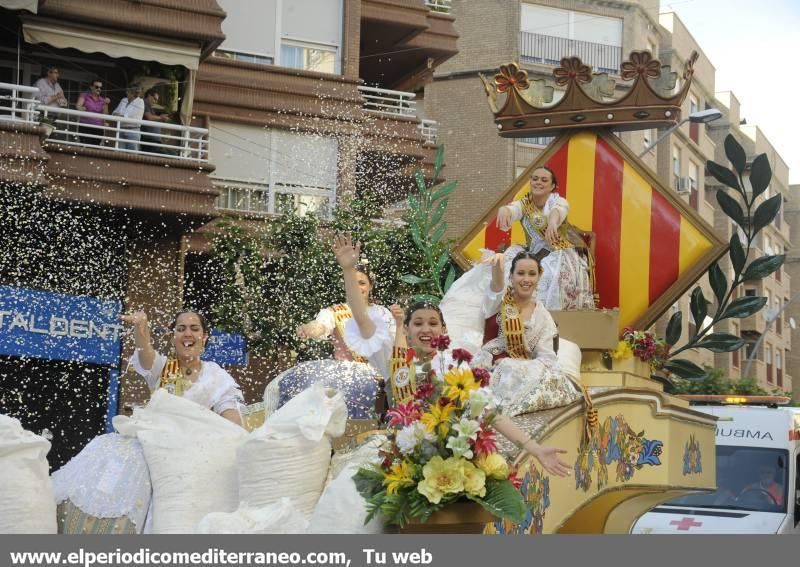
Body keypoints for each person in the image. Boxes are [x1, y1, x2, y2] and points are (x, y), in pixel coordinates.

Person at [332, 233, 570, 476]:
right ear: (406, 330)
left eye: (433, 323)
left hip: (446, 460)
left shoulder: (453, 366)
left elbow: (490, 412)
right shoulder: (394, 355)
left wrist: (535, 449)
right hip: (399, 459)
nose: (426, 329)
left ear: (443, 330)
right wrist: (349, 271)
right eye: (418, 324)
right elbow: (362, 320)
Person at [51, 309, 244, 534]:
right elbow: (145, 353)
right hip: (149, 447)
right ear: (173, 336)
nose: (187, 334)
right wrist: (140, 328)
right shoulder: (164, 368)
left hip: (188, 457)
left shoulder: (216, 377)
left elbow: (234, 426)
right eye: (180, 329)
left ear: (205, 336)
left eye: (194, 328)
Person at [263, 263, 395, 419]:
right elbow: (321, 326)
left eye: (362, 283)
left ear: (370, 286)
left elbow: (392, 344)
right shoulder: (335, 312)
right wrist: (308, 329)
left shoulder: (383, 313)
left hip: (378, 372)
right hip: (346, 372)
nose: (357, 287)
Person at [473, 251, 583, 416]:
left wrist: (518, 365)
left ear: (539, 278)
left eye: (532, 274)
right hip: (490, 369)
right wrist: (498, 268)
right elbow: (496, 287)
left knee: (553, 378)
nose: (526, 279)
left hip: (521, 374)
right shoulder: (498, 302)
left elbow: (546, 359)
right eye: (520, 273)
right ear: (511, 276)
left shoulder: (542, 316)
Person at [495, 166, 595, 310]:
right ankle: (514, 313)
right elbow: (513, 209)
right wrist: (504, 210)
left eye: (544, 180)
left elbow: (558, 211)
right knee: (507, 267)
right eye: (535, 179)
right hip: (533, 254)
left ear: (552, 186)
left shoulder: (559, 201)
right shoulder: (524, 204)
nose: (538, 182)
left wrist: (553, 223)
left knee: (549, 273)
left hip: (558, 253)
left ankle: (546, 315)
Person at [76, 79, 110, 145]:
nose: (99, 89)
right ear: (91, 87)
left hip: (98, 127)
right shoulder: (84, 95)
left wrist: (106, 104)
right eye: (97, 87)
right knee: (84, 146)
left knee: (95, 147)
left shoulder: (103, 100)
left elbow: (105, 114)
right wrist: (81, 108)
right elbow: (78, 106)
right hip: (85, 125)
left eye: (101, 88)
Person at [112, 85, 144, 151]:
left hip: (133, 131)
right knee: (119, 154)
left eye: (128, 91)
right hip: (121, 129)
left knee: (132, 155)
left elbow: (132, 116)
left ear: (132, 92)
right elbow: (114, 113)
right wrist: (121, 116)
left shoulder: (140, 102)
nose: (126, 92)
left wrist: (120, 116)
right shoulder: (124, 100)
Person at [141, 88, 171, 154]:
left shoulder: (148, 106)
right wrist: (161, 118)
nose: (155, 102)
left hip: (152, 139)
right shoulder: (144, 103)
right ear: (149, 96)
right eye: (155, 99)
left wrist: (161, 118)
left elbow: (152, 118)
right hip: (149, 139)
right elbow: (149, 117)